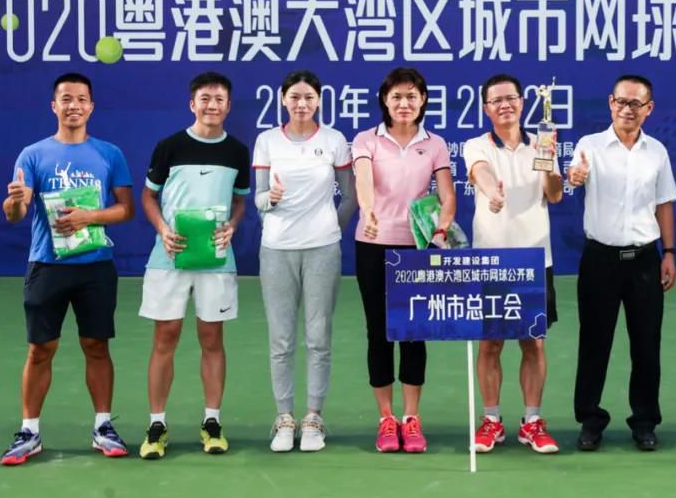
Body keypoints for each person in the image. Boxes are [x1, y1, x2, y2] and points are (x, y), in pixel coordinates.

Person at [0, 73, 134, 465]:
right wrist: (15, 202)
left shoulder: (109, 153)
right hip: (47, 265)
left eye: (81, 99)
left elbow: (126, 209)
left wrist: (88, 217)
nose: (74, 105)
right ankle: (29, 432)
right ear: (54, 106)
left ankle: (103, 427)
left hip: (96, 267)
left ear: (91, 107)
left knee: (97, 346)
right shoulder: (33, 155)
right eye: (66, 99)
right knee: (40, 349)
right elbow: (15, 214)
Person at [138, 71, 250, 459]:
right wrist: (163, 230)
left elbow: (240, 201)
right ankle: (156, 424)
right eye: (205, 99)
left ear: (228, 106)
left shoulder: (237, 151)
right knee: (165, 337)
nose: (211, 105)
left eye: (219, 99)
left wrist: (232, 226)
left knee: (212, 339)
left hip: (216, 259)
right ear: (192, 104)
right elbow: (148, 197)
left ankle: (212, 421)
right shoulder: (169, 147)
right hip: (168, 257)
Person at [568, 74, 676, 452]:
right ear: (610, 103)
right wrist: (575, 176)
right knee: (594, 343)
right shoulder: (590, 146)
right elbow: (574, 175)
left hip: (645, 259)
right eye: (620, 101)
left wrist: (669, 253)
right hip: (600, 259)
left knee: (646, 345)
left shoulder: (657, 152)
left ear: (649, 109)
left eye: (636, 103)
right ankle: (590, 419)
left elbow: (664, 204)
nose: (627, 109)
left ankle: (644, 421)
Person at [254, 70, 358, 452]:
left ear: (319, 101)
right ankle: (284, 418)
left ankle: (313, 417)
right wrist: (271, 200)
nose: (302, 103)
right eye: (295, 97)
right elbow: (259, 199)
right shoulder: (267, 141)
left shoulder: (334, 140)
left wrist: (330, 229)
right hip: (276, 251)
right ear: (283, 99)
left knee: (318, 337)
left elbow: (350, 196)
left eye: (309, 97)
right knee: (281, 339)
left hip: (323, 251)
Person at [352, 67, 455, 453]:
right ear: (385, 99)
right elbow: (363, 180)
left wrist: (442, 229)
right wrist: (367, 211)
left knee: (413, 333)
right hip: (373, 245)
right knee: (378, 332)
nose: (404, 103)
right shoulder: (367, 140)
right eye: (396, 96)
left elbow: (447, 195)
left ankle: (411, 418)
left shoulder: (435, 144)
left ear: (423, 100)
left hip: (417, 249)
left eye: (412, 96)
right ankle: (386, 418)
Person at [465, 74, 563, 454]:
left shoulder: (541, 143)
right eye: (496, 100)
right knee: (490, 344)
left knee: (533, 344)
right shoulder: (477, 145)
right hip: (491, 260)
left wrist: (549, 163)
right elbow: (481, 173)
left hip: (535, 259)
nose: (505, 105)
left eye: (511, 98)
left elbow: (554, 195)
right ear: (486, 108)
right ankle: (491, 421)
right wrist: (493, 193)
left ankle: (532, 421)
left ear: (522, 103)